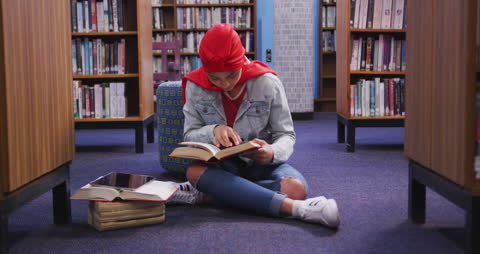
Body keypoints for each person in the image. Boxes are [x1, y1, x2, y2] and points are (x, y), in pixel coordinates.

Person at [168, 23, 340, 228]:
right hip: (221, 166)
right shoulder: (196, 86)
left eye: (231, 74)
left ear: (242, 61)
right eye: (215, 78)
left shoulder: (267, 83)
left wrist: (272, 152)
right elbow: (189, 135)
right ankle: (297, 209)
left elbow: (286, 135)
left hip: (261, 165)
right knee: (194, 172)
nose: (225, 84)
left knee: (297, 189)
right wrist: (212, 130)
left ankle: (208, 196)